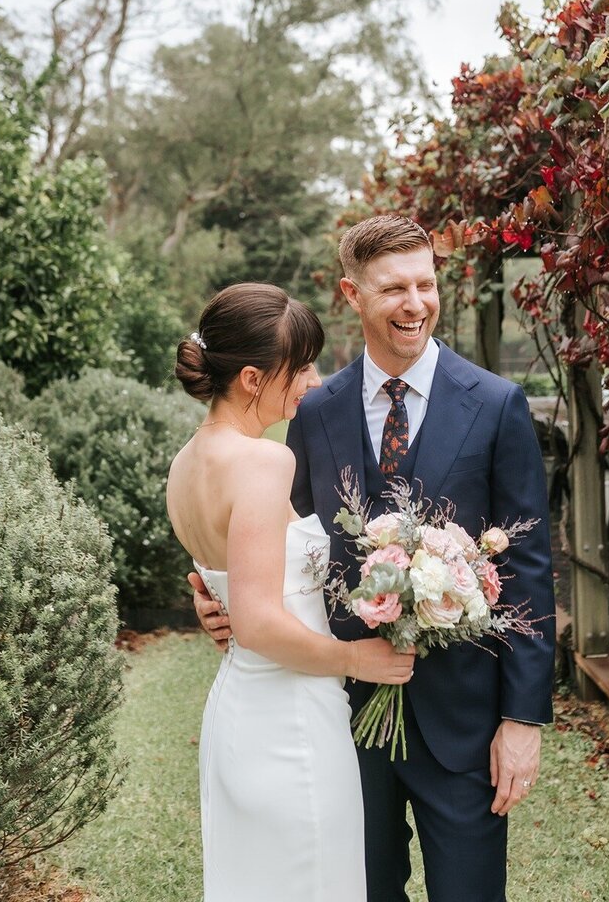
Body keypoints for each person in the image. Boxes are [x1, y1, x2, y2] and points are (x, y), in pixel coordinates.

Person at [193, 217, 555, 902]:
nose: (415, 304)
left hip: (465, 725)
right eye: (393, 288)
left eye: (426, 284)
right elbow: (281, 543)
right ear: (352, 294)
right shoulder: (315, 410)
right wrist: (216, 597)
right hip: (342, 720)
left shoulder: (497, 405)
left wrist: (522, 721)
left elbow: (529, 567)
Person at [168, 281, 415, 902]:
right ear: (254, 378)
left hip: (239, 714)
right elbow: (255, 621)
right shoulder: (261, 463)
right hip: (289, 723)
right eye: (299, 367)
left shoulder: (187, 461)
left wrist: (210, 602)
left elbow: (222, 582)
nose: (310, 381)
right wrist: (359, 660)